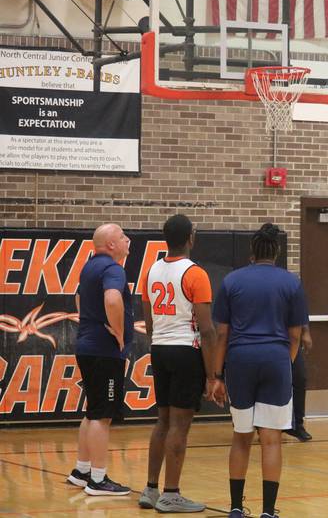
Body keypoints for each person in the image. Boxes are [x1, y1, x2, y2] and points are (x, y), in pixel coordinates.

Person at [211, 223, 308, 518]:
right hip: (276, 359)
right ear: (277, 252)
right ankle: (268, 511)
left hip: (240, 361)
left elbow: (222, 335)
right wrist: (286, 363)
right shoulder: (291, 283)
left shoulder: (232, 281)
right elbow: (296, 335)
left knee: (242, 435)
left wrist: (216, 375)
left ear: (252, 251)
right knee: (271, 438)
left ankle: (236, 508)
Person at [138, 215, 217, 512]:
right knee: (180, 425)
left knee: (162, 420)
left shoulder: (151, 270)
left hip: (159, 348)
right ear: (190, 239)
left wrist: (160, 340)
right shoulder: (196, 273)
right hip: (186, 349)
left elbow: (147, 322)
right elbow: (207, 330)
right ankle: (171, 494)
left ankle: (150, 489)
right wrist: (213, 375)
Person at [66, 223, 133, 496]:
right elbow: (114, 300)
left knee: (92, 411)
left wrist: (90, 323)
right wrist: (118, 333)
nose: (128, 240)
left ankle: (81, 471)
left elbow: (79, 297)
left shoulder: (90, 266)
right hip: (104, 351)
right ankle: (98, 479)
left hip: (87, 345)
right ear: (111, 245)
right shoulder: (113, 269)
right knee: (102, 416)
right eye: (123, 236)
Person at [284, 324, 313, 442]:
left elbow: (300, 309)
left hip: (290, 337)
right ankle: (266, 427)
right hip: (267, 336)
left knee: (300, 377)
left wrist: (306, 332)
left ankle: (297, 425)